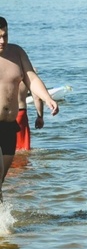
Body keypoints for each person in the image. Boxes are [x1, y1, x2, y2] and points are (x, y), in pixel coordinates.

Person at [0, 17, 60, 201]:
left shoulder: (16, 53)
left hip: (9, 126)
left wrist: (47, 98)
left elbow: (31, 79)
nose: (2, 41)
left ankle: (3, 223)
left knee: (1, 180)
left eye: (5, 35)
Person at [15, 80, 44, 152]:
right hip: (20, 113)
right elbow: (37, 98)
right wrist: (40, 117)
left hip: (3, 112)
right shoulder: (27, 73)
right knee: (22, 149)